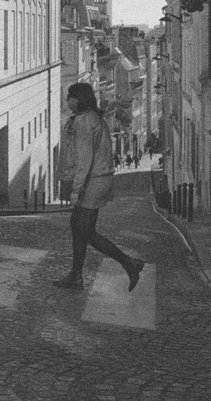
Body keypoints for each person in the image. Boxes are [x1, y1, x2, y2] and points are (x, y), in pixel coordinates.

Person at [55, 82, 145, 291]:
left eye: (70, 96)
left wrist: (76, 189)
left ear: (79, 99)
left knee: (86, 231)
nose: (67, 100)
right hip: (98, 177)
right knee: (77, 225)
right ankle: (75, 275)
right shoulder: (93, 118)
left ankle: (129, 263)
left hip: (93, 179)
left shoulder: (84, 121)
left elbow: (84, 158)